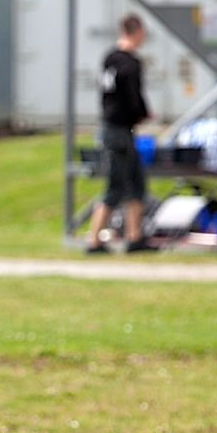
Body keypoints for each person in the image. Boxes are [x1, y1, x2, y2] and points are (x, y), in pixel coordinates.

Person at [85, 13, 154, 254]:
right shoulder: (130, 63)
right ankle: (93, 239)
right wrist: (142, 113)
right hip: (120, 130)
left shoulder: (109, 58)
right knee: (115, 186)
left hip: (112, 127)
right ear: (137, 31)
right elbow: (133, 97)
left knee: (136, 184)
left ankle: (134, 237)